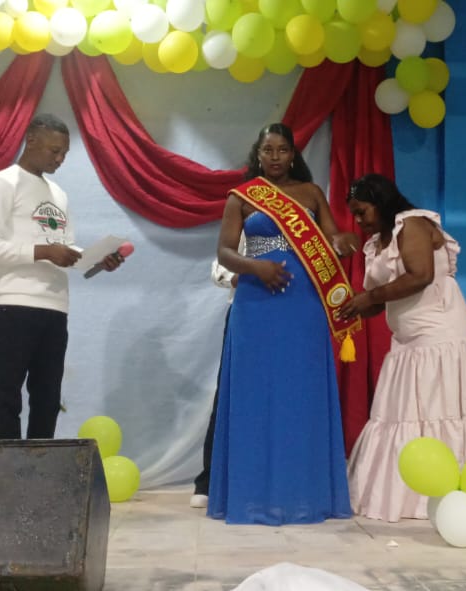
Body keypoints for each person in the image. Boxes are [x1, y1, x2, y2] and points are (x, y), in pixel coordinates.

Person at [206, 123, 361, 525]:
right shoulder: (241, 197)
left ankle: (302, 493)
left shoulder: (312, 193)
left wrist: (343, 241)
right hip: (256, 304)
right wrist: (255, 267)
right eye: (268, 150)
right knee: (255, 395)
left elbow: (332, 238)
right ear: (258, 155)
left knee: (300, 393)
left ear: (293, 154)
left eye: (282, 150)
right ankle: (250, 493)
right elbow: (224, 252)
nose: (275, 157)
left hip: (304, 304)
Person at [337, 173, 466, 522]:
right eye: (354, 214)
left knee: (436, 411)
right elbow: (378, 300)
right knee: (399, 416)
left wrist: (369, 297)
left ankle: (439, 498)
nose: (358, 221)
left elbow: (420, 275)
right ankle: (405, 499)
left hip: (439, 338)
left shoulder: (413, 224)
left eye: (362, 211)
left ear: (382, 203)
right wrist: (351, 305)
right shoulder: (378, 242)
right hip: (406, 341)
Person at [0, 113, 123, 440]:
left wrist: (96, 260)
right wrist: (43, 251)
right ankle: (4, 467)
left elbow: (64, 250)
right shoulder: (3, 182)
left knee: (48, 397)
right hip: (14, 301)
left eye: (64, 153)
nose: (60, 159)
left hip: (55, 306)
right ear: (31, 140)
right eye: (54, 151)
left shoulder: (59, 194)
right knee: (7, 393)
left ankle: (40, 465)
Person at [190, 254, 237, 509]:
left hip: (289, 312)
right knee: (228, 394)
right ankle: (208, 481)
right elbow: (221, 266)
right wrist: (237, 277)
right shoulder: (246, 224)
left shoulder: (304, 228)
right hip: (245, 308)